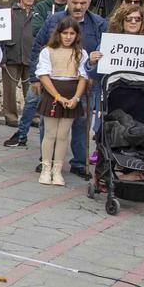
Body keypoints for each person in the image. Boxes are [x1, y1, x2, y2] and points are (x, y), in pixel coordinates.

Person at [34, 17, 90, 185]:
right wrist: (57, 96)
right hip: (53, 95)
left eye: (72, 33)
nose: (68, 37)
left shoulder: (81, 53)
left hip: (72, 96)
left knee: (63, 135)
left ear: (77, 35)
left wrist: (76, 98)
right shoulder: (47, 51)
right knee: (50, 133)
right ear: (58, 34)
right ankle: (46, 169)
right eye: (65, 33)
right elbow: (43, 75)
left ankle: (57, 171)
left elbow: (83, 77)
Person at [0, 0, 36, 135]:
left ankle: (34, 116)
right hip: (12, 53)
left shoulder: (37, 13)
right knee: (9, 90)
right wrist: (2, 56)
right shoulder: (9, 12)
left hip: (31, 55)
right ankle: (10, 116)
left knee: (33, 90)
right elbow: (1, 34)